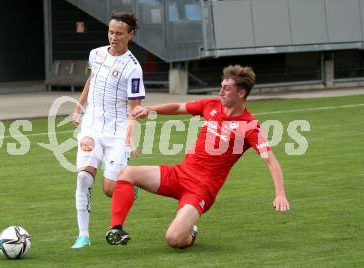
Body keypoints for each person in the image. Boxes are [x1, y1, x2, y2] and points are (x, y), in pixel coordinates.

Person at [105, 65, 290, 248]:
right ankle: (116, 228)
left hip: (200, 190)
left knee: (174, 239)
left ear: (241, 93)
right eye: (221, 86)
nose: (221, 92)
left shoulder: (250, 126)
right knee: (127, 173)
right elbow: (178, 106)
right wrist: (149, 109)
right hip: (179, 174)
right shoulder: (211, 105)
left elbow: (270, 161)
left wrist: (280, 194)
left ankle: (190, 231)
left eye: (226, 88)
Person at [70, 11, 145, 249]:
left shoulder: (133, 68)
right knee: (83, 177)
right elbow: (91, 80)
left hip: (116, 130)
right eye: (111, 32)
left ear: (130, 35)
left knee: (110, 189)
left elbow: (135, 108)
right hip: (91, 125)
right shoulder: (96, 54)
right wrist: (78, 108)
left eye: (119, 33)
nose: (114, 37)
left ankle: (128, 186)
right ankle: (83, 235)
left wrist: (129, 137)